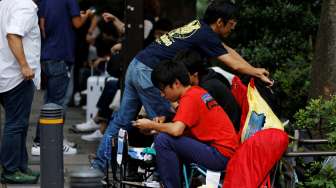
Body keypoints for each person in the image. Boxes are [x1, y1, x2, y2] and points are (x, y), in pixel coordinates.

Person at [92, 0, 272, 172]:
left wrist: (253, 69)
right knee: (167, 124)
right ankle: (161, 174)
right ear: (219, 22)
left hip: (136, 65)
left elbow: (227, 50)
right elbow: (233, 65)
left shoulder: (199, 26)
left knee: (121, 122)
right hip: (149, 73)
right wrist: (256, 73)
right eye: (231, 23)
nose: (233, 27)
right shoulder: (205, 35)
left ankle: (99, 168)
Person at [133, 60, 239, 188]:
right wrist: (155, 128)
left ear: (176, 83)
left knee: (163, 140)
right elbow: (182, 129)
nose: (162, 94)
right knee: (165, 137)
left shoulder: (190, 98)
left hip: (220, 155)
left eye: (162, 89)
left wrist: (152, 125)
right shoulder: (196, 92)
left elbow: (176, 130)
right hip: (223, 152)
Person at [31, 0, 93, 156]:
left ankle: (51, 139)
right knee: (59, 102)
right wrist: (87, 16)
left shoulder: (44, 1)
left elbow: (42, 26)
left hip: (47, 54)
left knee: (50, 100)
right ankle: (47, 141)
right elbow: (77, 24)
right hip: (61, 55)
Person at [0, 0, 40, 183]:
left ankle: (20, 165)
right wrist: (24, 66)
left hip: (5, 72)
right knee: (16, 124)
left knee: (20, 124)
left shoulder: (5, 2)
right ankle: (10, 170)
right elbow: (13, 35)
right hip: (17, 76)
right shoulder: (25, 6)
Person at [175, 49, 241, 132]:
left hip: (232, 131)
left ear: (195, 73)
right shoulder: (212, 74)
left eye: (182, 74)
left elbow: (194, 119)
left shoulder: (206, 89)